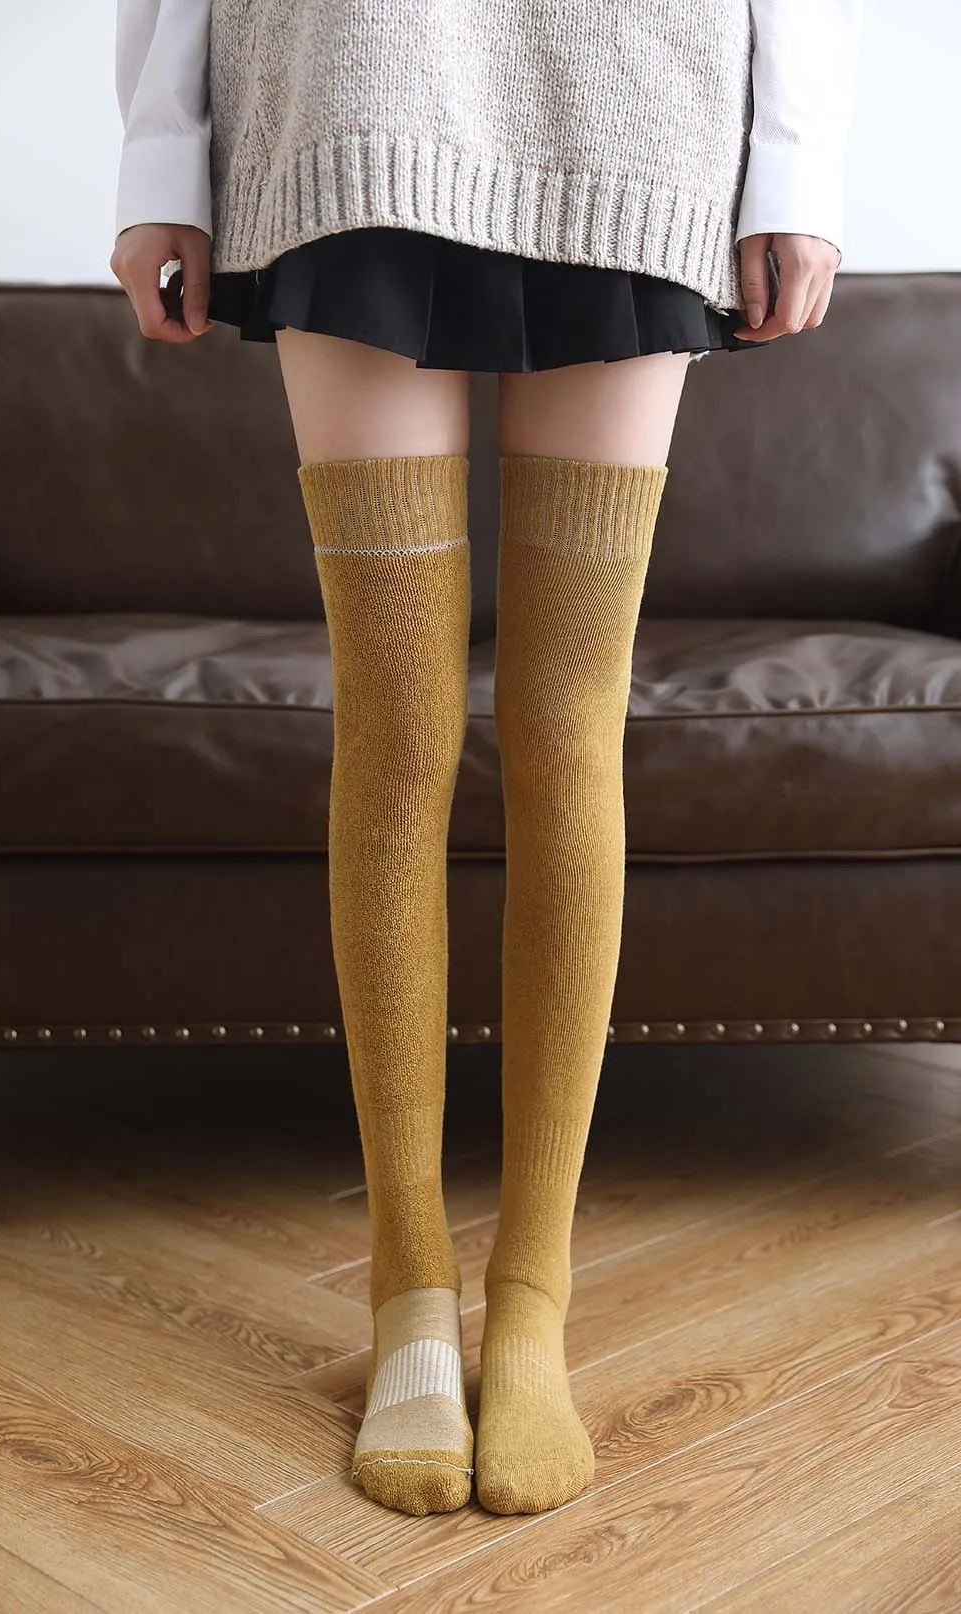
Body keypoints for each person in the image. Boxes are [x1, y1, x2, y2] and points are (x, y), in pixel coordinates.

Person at [111, 0, 863, 1520]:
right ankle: (407, 1289)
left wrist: (795, 162)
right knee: (393, 724)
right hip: (344, 91)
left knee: (567, 725)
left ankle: (531, 1300)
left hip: (632, 102)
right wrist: (158, 149)